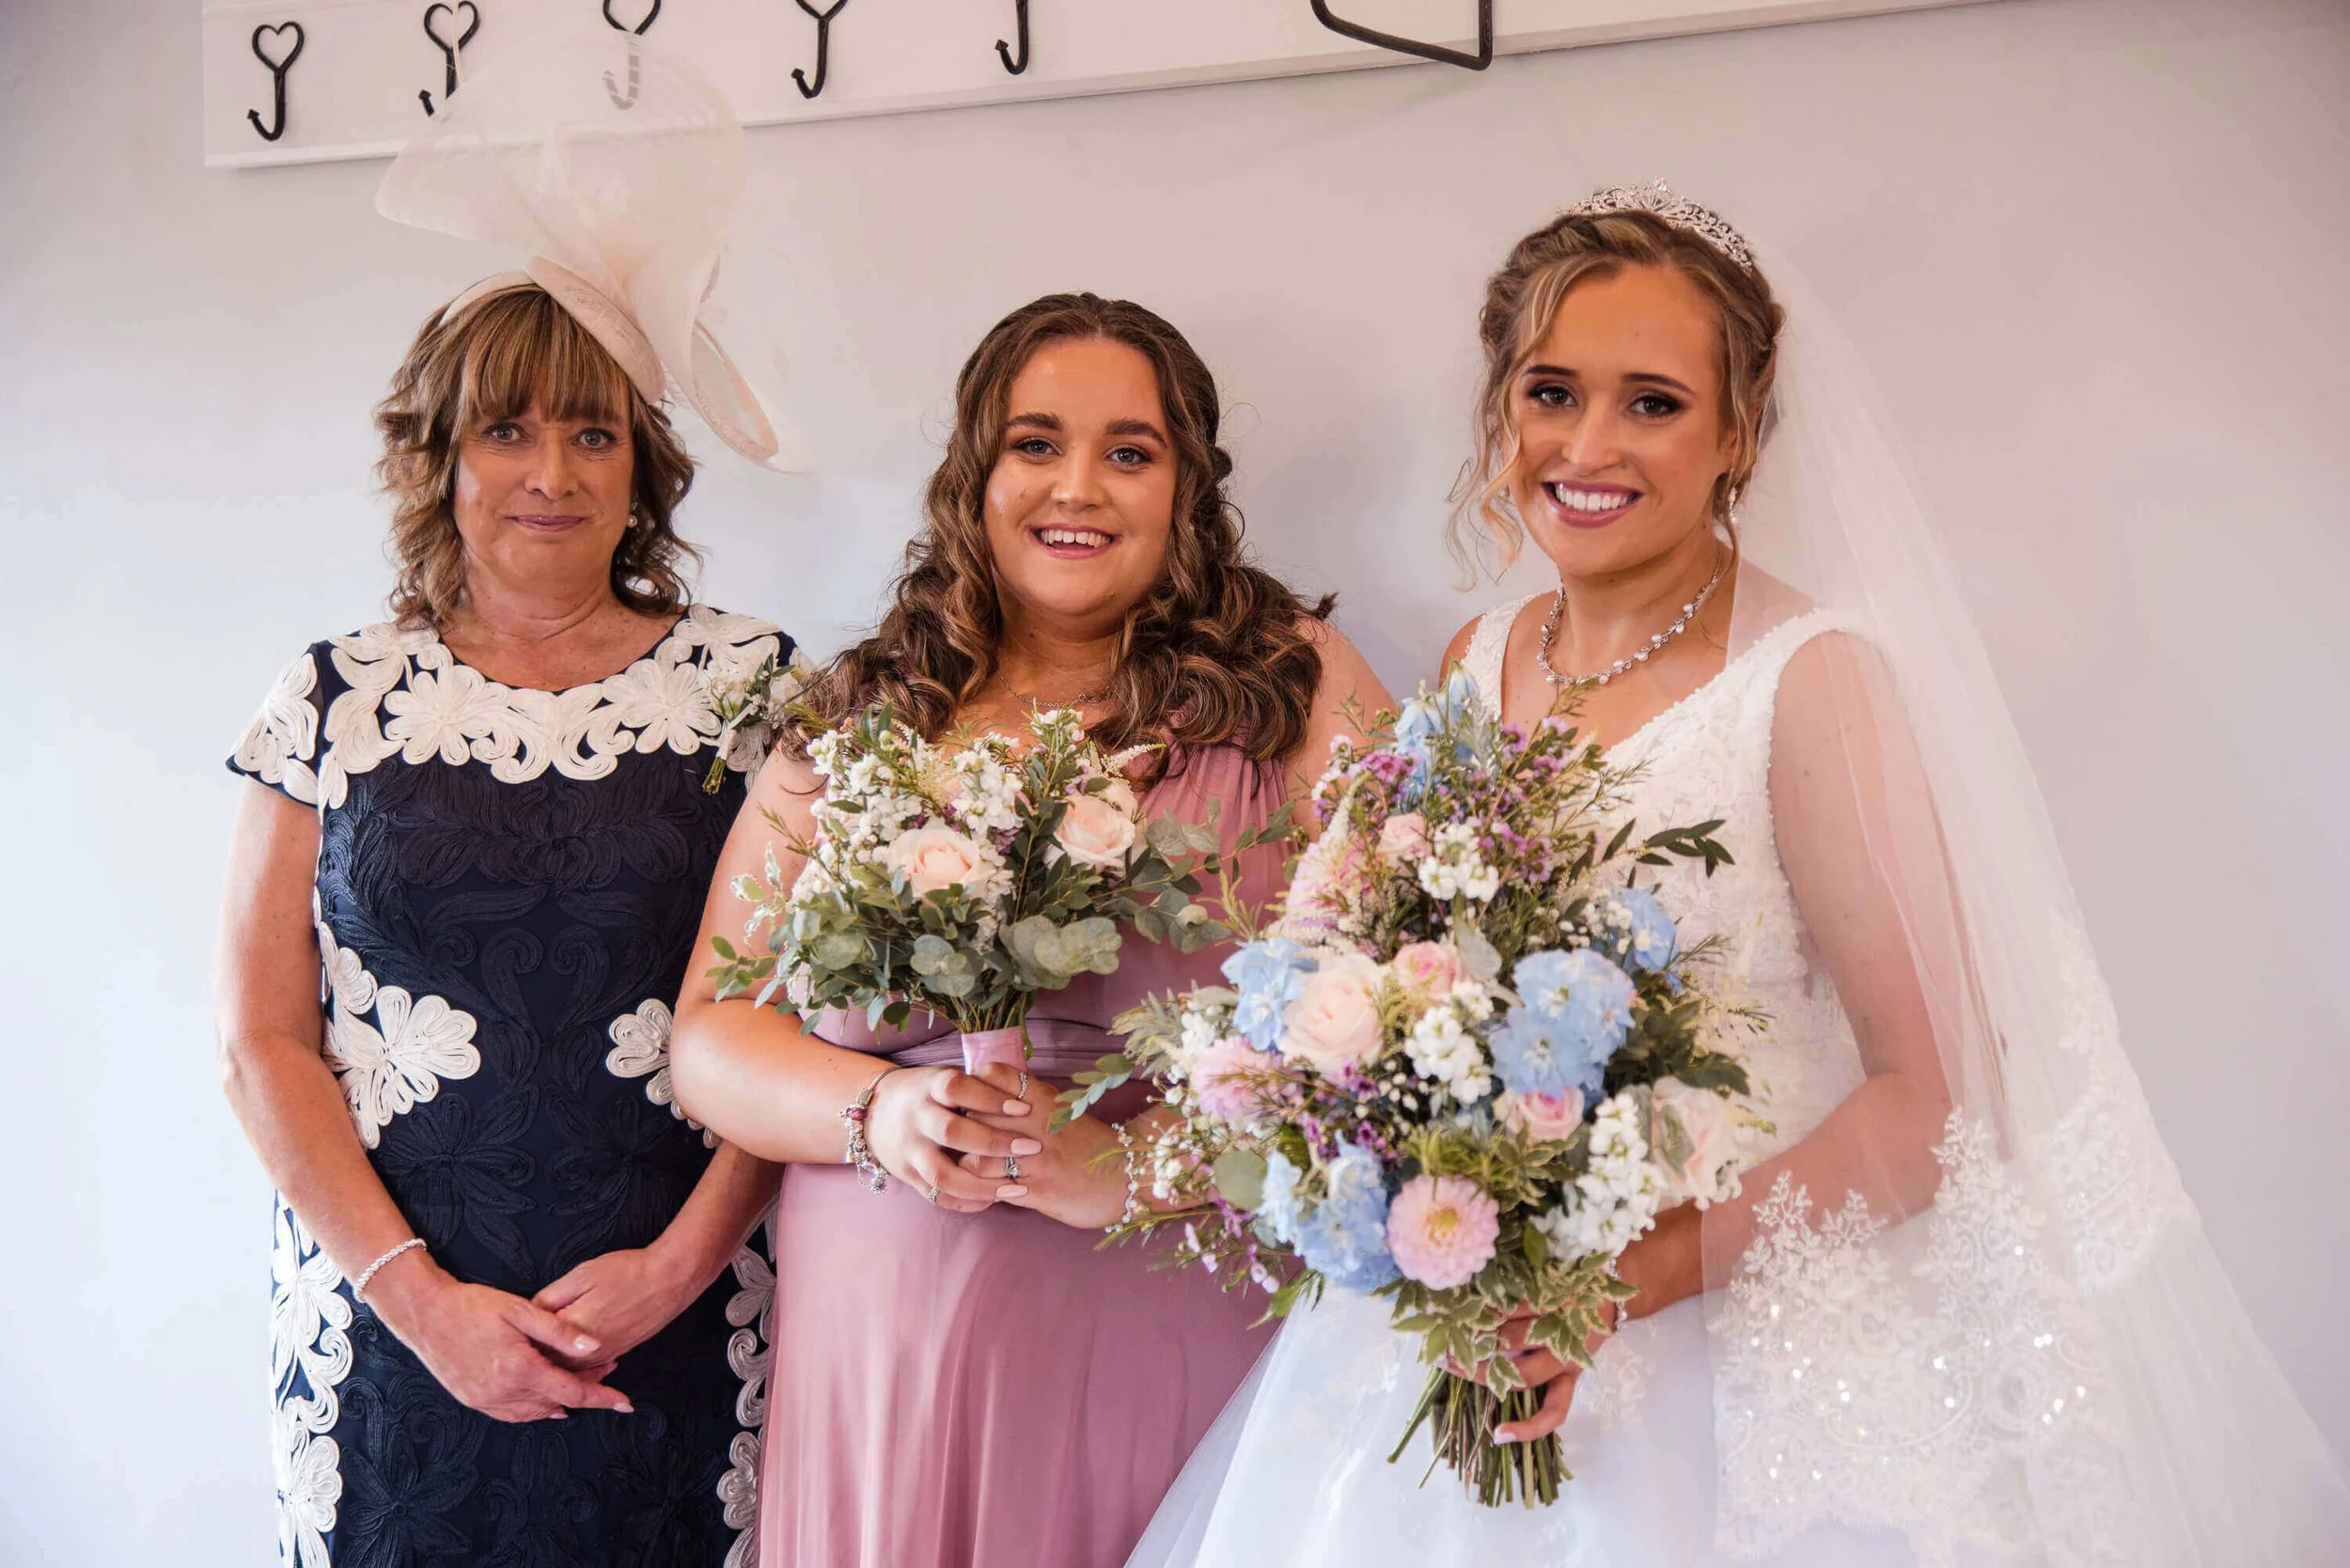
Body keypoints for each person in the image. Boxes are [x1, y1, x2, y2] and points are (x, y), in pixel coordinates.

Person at [1128, 185, 2350, 1566]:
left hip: (1728, 1374)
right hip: (1460, 1337)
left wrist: (1622, 1283)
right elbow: (1369, 957)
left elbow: (1930, 1095)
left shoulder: (1811, 683)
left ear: (1739, 434)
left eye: (1652, 403)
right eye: (1551, 392)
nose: (1588, 446)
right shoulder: (1479, 658)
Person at [668, 291, 1390, 1568]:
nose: (1079, 488)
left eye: (1130, 452)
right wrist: (879, 1113)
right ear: (976, 474)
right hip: (886, 1342)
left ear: (1187, 486)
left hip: (1171, 1300)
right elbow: (714, 1038)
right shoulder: (861, 716)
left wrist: (1133, 1169)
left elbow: (1400, 1013)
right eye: (1036, 443)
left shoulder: (1297, 683)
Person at [216, 38, 797, 1567]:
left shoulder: (756, 691)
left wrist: (681, 1269)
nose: (553, 471)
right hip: (387, 1335)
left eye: (593, 431)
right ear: (440, 453)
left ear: (644, 465)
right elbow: (263, 1042)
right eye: (509, 428)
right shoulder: (328, 696)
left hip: (685, 1319)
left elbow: (799, 1020)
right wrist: (417, 1304)